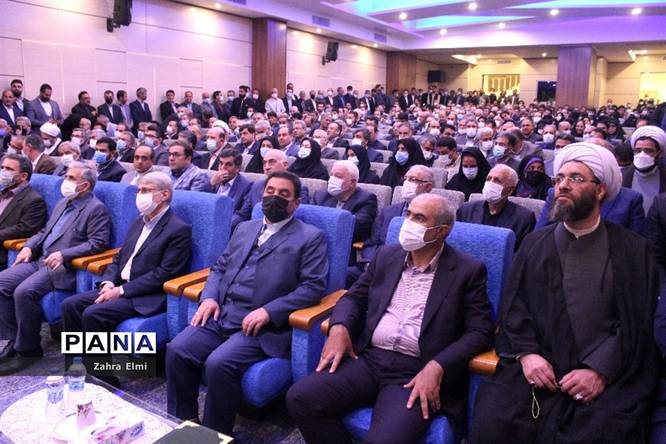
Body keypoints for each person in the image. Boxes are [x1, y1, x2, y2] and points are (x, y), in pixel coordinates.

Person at [471, 142, 659, 443]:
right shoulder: (534, 243)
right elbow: (514, 307)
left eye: (576, 178)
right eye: (559, 178)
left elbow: (636, 324)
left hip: (603, 374)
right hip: (536, 369)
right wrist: (528, 355)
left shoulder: (634, 251)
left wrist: (599, 371)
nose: (563, 185)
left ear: (600, 190)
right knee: (495, 421)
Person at [287, 193, 493, 444]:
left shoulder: (467, 270)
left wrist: (438, 365)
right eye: (408, 214)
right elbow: (353, 298)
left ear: (442, 230)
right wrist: (339, 328)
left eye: (419, 218)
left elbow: (480, 331)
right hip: (370, 358)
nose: (409, 223)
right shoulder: (386, 256)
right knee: (301, 398)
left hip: (416, 370)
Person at [166, 171, 329, 434]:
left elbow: (312, 288)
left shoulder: (310, 237)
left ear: (296, 203)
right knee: (177, 350)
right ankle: (183, 427)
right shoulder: (245, 228)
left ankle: (215, 436)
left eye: (284, 194)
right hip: (223, 313)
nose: (274, 197)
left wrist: (269, 311)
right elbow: (219, 268)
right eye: (270, 191)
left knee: (218, 364)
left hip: (262, 327)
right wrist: (209, 297)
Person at [61, 172, 192, 375]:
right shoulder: (139, 221)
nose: (140, 195)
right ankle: (75, 366)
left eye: (146, 190)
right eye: (139, 190)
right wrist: (107, 282)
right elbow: (119, 258)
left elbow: (165, 274)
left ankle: (101, 376)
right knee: (70, 305)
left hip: (146, 295)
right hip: (119, 286)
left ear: (164, 195)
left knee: (94, 314)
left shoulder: (178, 229)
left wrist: (121, 291)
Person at [0, 162, 111, 372]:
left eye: (71, 178)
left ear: (85, 185)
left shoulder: (96, 209)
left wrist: (64, 254)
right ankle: (14, 341)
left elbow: (98, 243)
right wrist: (28, 246)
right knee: (2, 283)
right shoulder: (63, 202)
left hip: (61, 267)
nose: (65, 181)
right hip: (40, 259)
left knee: (24, 292)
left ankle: (29, 350)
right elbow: (45, 231)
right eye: (66, 176)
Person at [349, 165, 434, 287]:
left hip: (410, 271)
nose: (406, 183)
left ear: (428, 187)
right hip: (378, 265)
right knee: (344, 275)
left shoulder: (435, 216)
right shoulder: (388, 211)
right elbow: (372, 243)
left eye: (413, 179)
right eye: (405, 178)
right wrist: (370, 262)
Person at [457, 164, 535, 250]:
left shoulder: (524, 218)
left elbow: (523, 253)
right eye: (488, 179)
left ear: (510, 190)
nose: (490, 184)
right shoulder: (466, 210)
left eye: (497, 181)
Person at [234, 149, 309, 229]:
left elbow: (297, 216)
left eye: (272, 162)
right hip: (255, 230)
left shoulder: (299, 188)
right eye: (264, 163)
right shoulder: (256, 186)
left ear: (285, 165)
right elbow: (243, 214)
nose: (267, 167)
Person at [312, 160, 378, 243]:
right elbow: (311, 221)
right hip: (318, 242)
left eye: (338, 176)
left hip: (346, 244)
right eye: (331, 175)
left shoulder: (366, 199)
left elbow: (351, 227)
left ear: (352, 183)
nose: (332, 179)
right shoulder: (320, 195)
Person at [0, 154, 47, 269]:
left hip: (4, 251)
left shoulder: (34, 200)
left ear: (23, 176)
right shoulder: (2, 192)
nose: (3, 172)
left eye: (9, 169)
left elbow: (24, 229)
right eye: (2, 168)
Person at [623, 125, 666, 214]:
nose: (642, 155)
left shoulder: (664, 176)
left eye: (649, 151)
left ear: (659, 153)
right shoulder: (621, 175)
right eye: (638, 150)